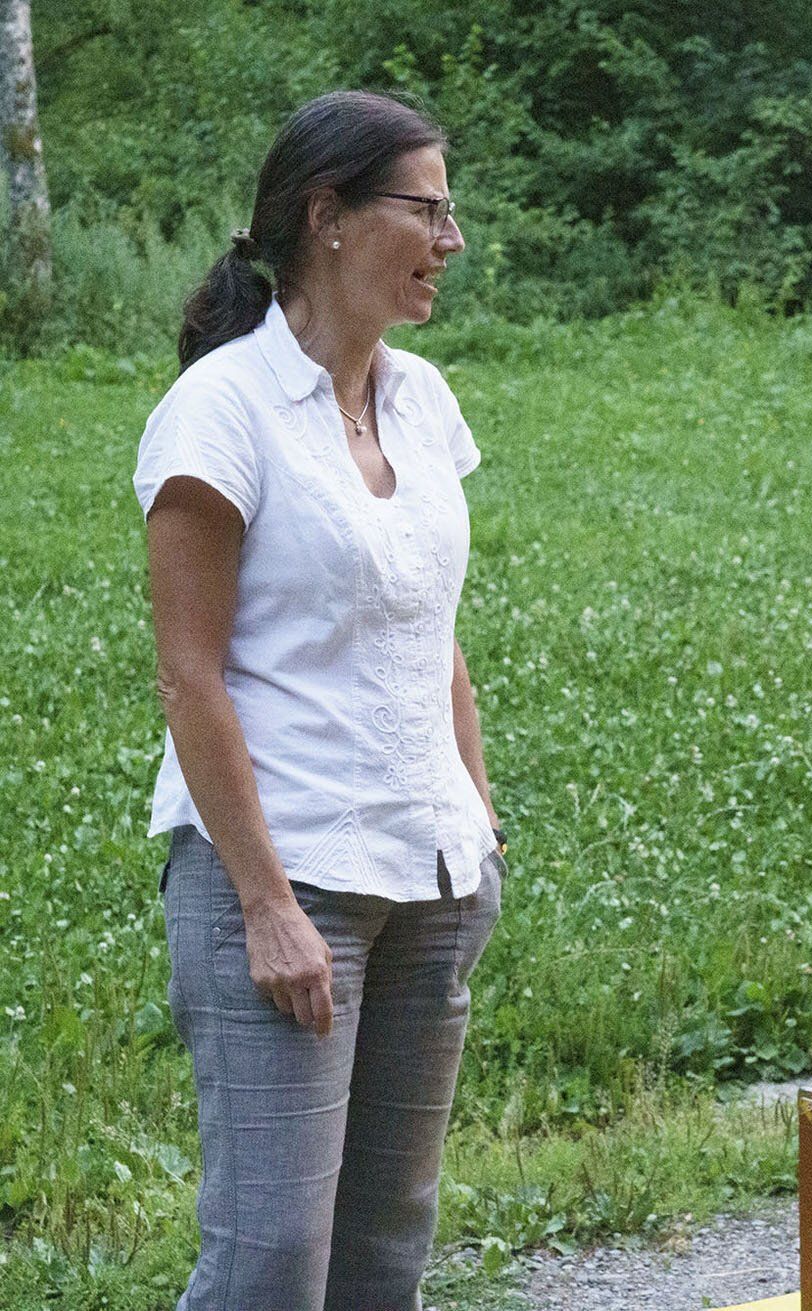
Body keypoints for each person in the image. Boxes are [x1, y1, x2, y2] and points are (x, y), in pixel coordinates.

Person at [134, 90, 500, 1310]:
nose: (451, 240)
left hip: (431, 879)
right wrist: (266, 906)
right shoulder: (221, 412)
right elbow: (191, 674)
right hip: (286, 886)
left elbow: (435, 632)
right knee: (270, 1260)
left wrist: (478, 827)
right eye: (428, 210)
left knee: (386, 1246)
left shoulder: (424, 400)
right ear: (328, 216)